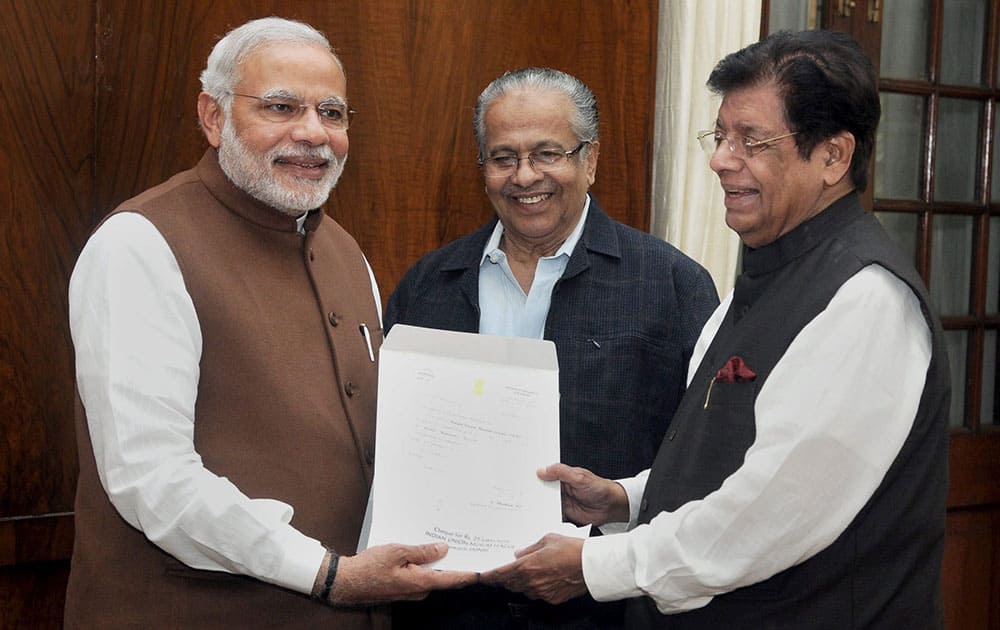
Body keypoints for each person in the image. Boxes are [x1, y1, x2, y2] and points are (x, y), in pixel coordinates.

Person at [481, 30, 951, 629]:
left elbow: (773, 512)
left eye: (751, 141)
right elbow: (733, 460)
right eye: (721, 136)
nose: (721, 158)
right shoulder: (765, 275)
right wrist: (625, 499)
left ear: (833, 156)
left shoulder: (865, 299)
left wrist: (595, 565)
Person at [65, 17, 474, 629]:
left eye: (332, 114)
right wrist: (327, 574)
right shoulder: (141, 243)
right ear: (213, 116)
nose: (313, 133)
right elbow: (151, 478)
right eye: (282, 107)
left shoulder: (345, 252)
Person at [385, 67, 719, 628]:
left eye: (547, 153)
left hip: (607, 609)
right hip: (449, 608)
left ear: (589, 160)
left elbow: (709, 459)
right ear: (483, 169)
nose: (525, 176)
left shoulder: (672, 286)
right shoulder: (428, 286)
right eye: (503, 157)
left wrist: (618, 500)